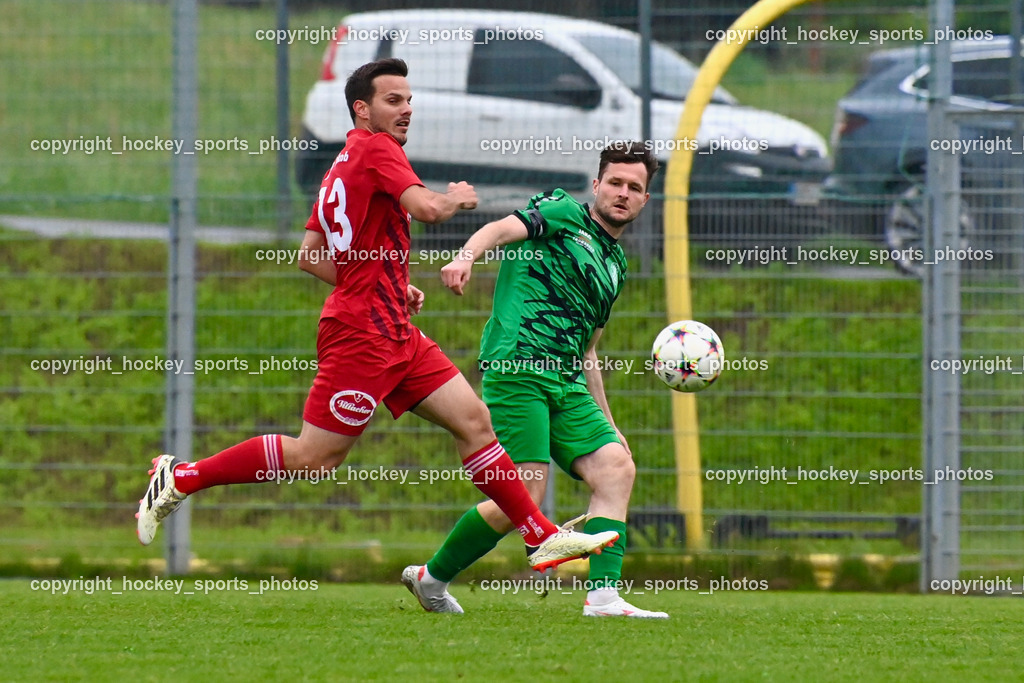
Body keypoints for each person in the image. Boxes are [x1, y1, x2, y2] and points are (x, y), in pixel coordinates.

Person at [135, 58, 619, 571]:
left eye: (409, 100)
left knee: (475, 422)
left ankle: (538, 536)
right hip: (361, 335)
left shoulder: (340, 164)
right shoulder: (377, 149)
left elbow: (310, 253)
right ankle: (181, 476)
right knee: (314, 458)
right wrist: (453, 199)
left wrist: (388, 282)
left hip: (393, 329)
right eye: (394, 101)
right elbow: (427, 209)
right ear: (361, 109)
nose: (406, 110)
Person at [402, 141, 669, 619]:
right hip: (519, 366)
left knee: (616, 467)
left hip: (567, 381)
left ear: (645, 200)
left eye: (635, 187)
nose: (623, 193)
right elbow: (500, 228)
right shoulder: (563, 211)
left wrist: (611, 424)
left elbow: (589, 349)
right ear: (596, 185)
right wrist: (465, 257)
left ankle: (603, 598)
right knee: (523, 494)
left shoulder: (616, 265)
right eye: (615, 183)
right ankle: (432, 578)